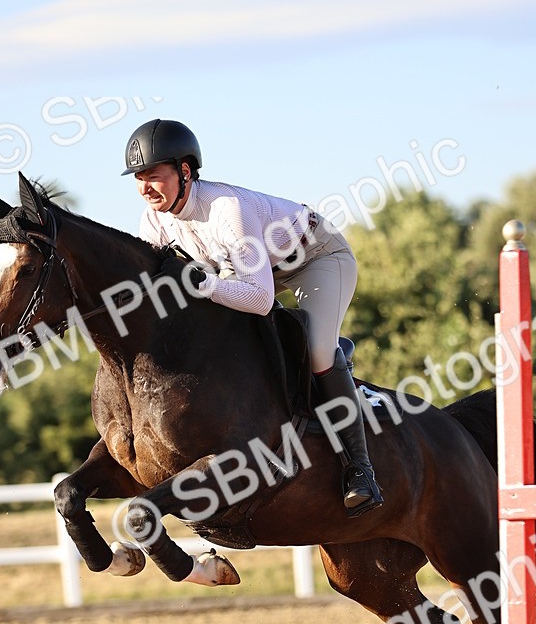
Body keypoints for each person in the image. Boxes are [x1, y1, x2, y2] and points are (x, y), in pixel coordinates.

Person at [122, 118, 383, 517]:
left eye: (154, 176)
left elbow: (259, 299)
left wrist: (199, 284)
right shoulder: (153, 221)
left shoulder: (227, 210)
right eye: (139, 178)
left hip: (317, 257)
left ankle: (361, 471)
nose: (145, 188)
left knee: (316, 351)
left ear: (185, 172)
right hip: (253, 272)